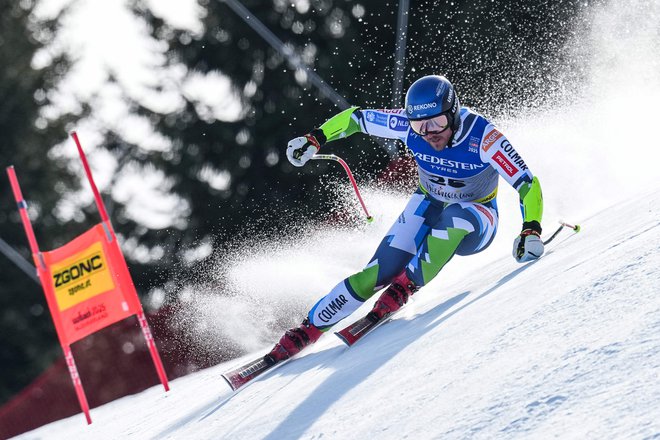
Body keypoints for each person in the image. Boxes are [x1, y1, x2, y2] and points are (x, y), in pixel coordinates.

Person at [265, 75, 544, 363]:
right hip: (429, 202)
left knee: (454, 219)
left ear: (454, 112)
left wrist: (530, 229)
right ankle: (307, 329)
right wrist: (316, 138)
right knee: (376, 273)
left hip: (477, 216)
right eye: (419, 125)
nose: (429, 133)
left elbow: (527, 184)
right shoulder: (407, 126)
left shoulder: (484, 137)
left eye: (436, 123)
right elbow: (356, 118)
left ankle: (404, 287)